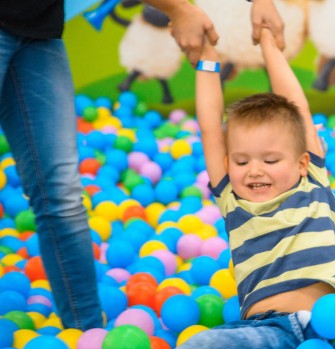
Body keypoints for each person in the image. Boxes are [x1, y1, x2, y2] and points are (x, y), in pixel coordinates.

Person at [0, 0, 284, 331]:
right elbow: (210, 128)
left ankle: (85, 337)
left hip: (37, 30)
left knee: (59, 193)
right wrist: (180, 10)